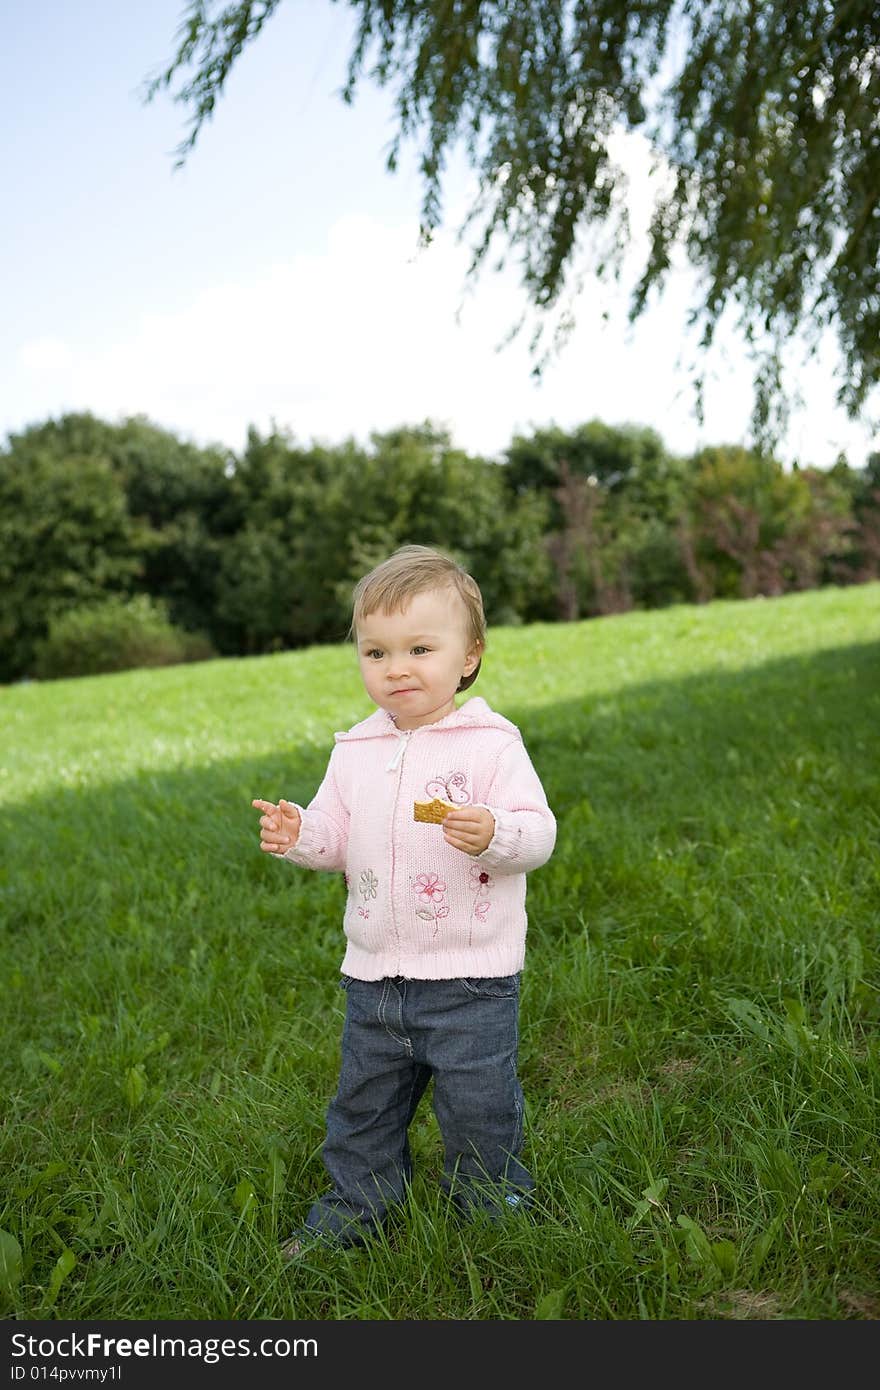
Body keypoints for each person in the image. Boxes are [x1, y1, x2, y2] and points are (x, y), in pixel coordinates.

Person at [252, 544, 556, 1257]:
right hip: (376, 976)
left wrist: (494, 834)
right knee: (362, 1107)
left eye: (420, 648)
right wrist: (303, 832)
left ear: (469, 656)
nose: (396, 669)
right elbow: (338, 841)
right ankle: (360, 1203)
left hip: (471, 978)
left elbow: (537, 835)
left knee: (479, 1106)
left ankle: (491, 1207)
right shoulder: (354, 749)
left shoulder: (490, 744)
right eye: (376, 651)